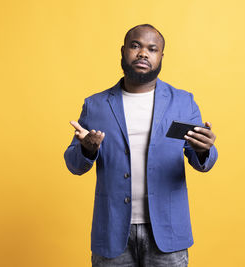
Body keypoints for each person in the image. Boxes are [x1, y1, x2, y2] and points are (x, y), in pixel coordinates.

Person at [64, 24, 218, 267]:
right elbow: (74, 164)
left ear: (161, 57)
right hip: (112, 233)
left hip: (167, 233)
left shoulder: (183, 101)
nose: (143, 53)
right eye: (135, 46)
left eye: (152, 49)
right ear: (123, 51)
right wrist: (87, 150)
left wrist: (203, 149)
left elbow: (203, 161)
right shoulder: (96, 105)